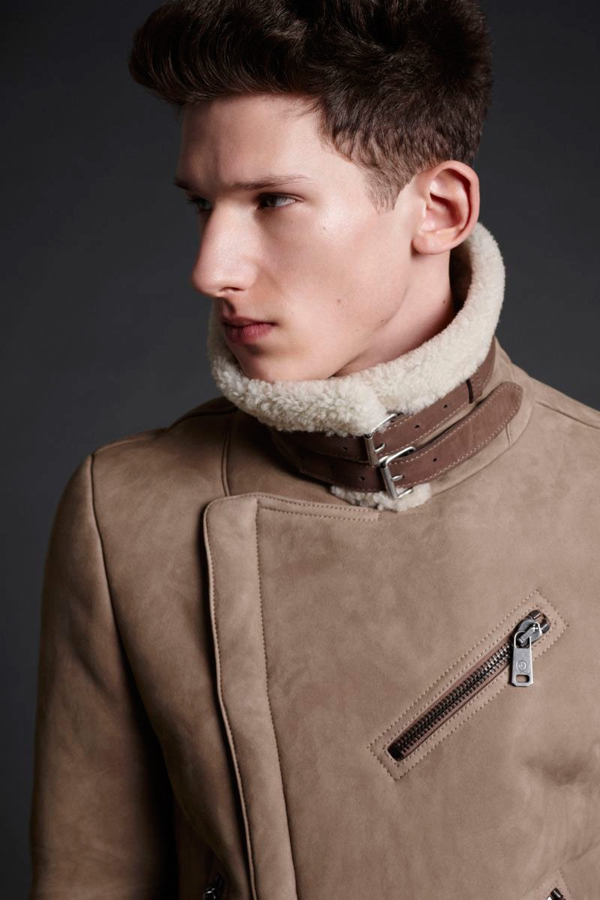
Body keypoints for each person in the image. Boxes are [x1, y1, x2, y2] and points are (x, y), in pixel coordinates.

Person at [28, 1, 600, 898]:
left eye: (273, 200)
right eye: (203, 205)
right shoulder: (125, 510)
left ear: (439, 209)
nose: (210, 268)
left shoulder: (589, 490)